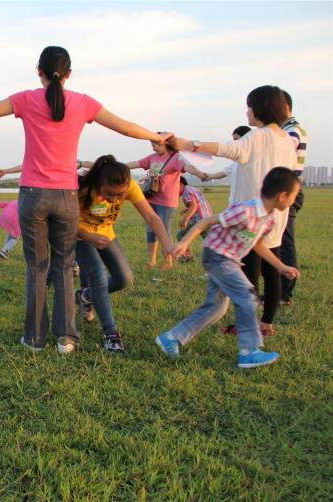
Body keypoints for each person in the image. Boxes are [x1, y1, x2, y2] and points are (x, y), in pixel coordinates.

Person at [0, 46, 170, 353]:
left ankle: (34, 338)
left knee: (37, 268)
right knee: (65, 266)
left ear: (38, 71)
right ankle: (66, 338)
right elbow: (127, 127)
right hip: (66, 196)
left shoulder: (26, 99)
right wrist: (159, 137)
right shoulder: (83, 103)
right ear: (69, 73)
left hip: (32, 195)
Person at [170, 85, 297, 338]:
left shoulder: (257, 136)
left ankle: (245, 326)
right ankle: (266, 323)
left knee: (249, 273)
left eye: (249, 106)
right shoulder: (286, 139)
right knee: (271, 270)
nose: (247, 111)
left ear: (260, 108)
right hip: (274, 216)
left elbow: (227, 149)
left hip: (248, 217)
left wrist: (189, 144)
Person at [157, 167, 301, 369]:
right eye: (294, 196)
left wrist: (281, 266)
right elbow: (206, 221)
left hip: (230, 260)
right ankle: (249, 351)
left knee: (216, 308)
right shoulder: (245, 211)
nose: (294, 201)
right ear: (282, 196)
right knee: (247, 297)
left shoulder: (268, 218)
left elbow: (257, 244)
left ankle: (171, 338)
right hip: (217, 256)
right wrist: (184, 243)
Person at [75, 155, 174, 353]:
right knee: (99, 277)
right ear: (99, 183)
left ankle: (85, 295)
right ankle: (110, 333)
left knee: (124, 279)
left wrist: (166, 243)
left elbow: (151, 216)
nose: (115, 199)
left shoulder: (129, 186)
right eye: (109, 194)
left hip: (106, 235)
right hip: (79, 237)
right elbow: (65, 222)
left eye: (119, 195)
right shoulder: (82, 188)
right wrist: (88, 236)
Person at [126, 135, 208, 268]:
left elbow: (187, 167)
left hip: (166, 201)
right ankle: (151, 261)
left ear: (165, 144)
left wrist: (198, 173)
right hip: (151, 197)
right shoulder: (152, 157)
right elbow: (135, 163)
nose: (153, 148)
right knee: (150, 230)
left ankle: (168, 261)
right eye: (152, 145)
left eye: (155, 145)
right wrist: (118, 166)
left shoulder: (176, 157)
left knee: (164, 231)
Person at [279, 90, 307, 304]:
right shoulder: (284, 129)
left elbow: (290, 143)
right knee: (276, 242)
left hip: (288, 192)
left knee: (285, 243)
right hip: (282, 191)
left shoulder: (293, 129)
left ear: (285, 106)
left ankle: (284, 294)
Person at [204, 126, 252, 204]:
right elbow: (225, 172)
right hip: (235, 202)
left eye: (236, 140)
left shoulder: (253, 159)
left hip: (247, 203)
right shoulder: (237, 162)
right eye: (233, 140)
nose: (234, 143)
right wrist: (210, 176)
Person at [175, 176, 213, 262]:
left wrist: (185, 220)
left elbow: (194, 206)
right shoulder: (192, 189)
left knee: (181, 235)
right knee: (209, 239)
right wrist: (186, 209)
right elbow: (198, 203)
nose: (173, 191)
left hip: (198, 219)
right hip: (207, 217)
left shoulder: (186, 192)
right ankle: (218, 256)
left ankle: (187, 257)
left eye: (174, 188)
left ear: (180, 184)